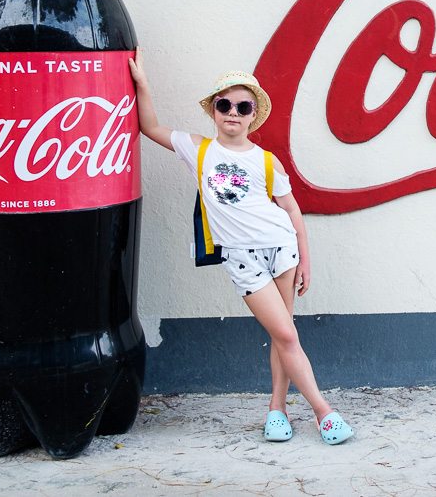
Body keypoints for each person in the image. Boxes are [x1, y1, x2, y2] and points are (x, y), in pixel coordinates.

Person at [128, 49, 354, 445]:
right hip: (242, 259)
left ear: (253, 115)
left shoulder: (267, 161)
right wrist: (143, 84)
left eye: (242, 106)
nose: (233, 112)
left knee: (283, 335)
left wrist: (306, 259)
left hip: (282, 249)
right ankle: (324, 411)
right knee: (285, 334)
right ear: (214, 110)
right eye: (225, 104)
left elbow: (292, 211)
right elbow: (150, 127)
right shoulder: (197, 149)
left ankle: (278, 410)